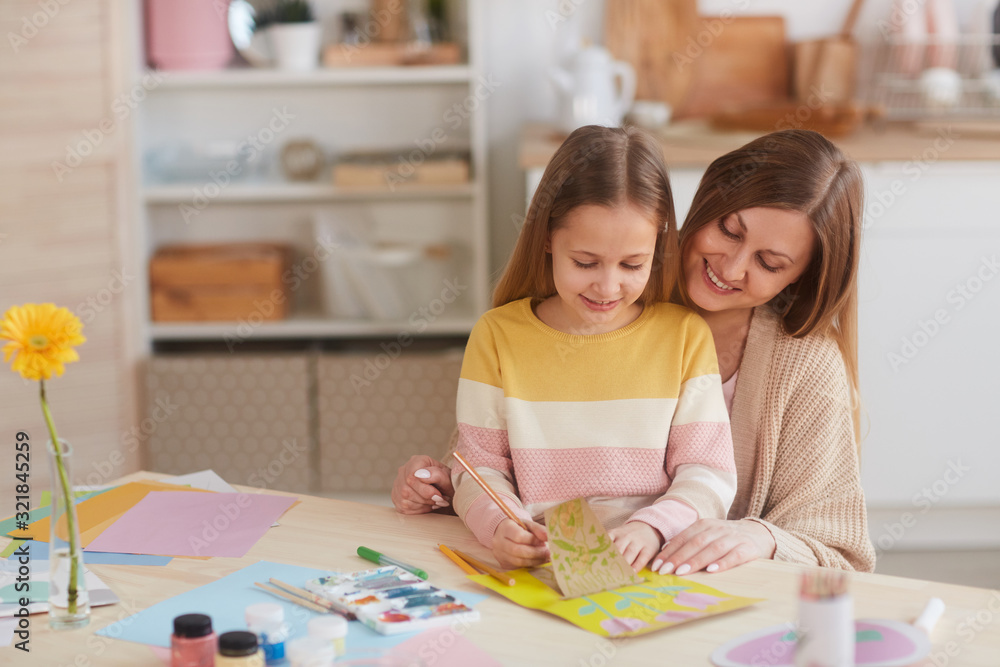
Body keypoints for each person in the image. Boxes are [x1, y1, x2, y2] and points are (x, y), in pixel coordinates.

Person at [392, 128, 877, 574]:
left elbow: (839, 553)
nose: (731, 267)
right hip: (559, 579)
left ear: (799, 277)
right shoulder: (602, 299)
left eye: (770, 263)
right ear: (705, 203)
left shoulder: (804, 363)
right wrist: (437, 488)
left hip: (693, 597)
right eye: (729, 231)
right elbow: (491, 464)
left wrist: (759, 537)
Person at [451, 124, 737, 570]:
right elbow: (475, 468)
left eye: (632, 264)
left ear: (658, 245)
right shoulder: (497, 336)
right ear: (546, 237)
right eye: (585, 262)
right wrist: (501, 525)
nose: (608, 286)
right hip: (543, 566)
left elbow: (710, 473)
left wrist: (652, 527)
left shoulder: (684, 336)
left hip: (654, 565)